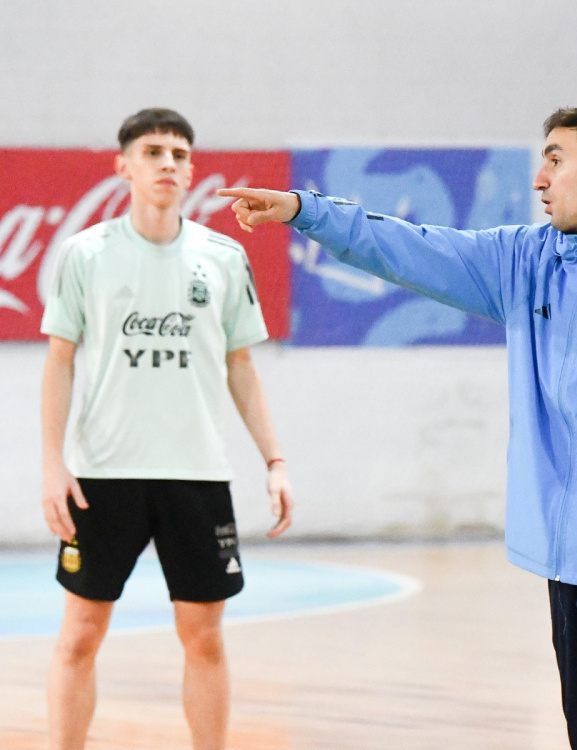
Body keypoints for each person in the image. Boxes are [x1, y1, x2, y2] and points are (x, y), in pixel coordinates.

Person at [220, 102, 577, 750]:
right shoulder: (526, 262)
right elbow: (411, 248)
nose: (539, 178)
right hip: (566, 562)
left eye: (556, 158)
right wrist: (305, 211)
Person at [40, 107, 293, 750]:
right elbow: (60, 362)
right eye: (153, 152)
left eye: (180, 154)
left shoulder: (224, 258)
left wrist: (275, 460)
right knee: (80, 633)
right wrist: (51, 462)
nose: (168, 164)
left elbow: (242, 367)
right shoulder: (85, 254)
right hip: (103, 473)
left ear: (192, 169)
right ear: (123, 165)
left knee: (204, 637)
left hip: (197, 474)